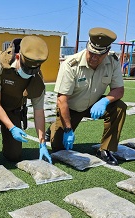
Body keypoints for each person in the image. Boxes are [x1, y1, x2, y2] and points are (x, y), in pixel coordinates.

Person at [47, 27, 126, 165]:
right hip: (71, 108)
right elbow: (62, 100)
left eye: (99, 55)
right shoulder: (71, 64)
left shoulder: (112, 62)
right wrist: (68, 129)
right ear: (87, 47)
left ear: (107, 52)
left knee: (119, 107)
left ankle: (106, 149)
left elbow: (119, 90)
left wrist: (104, 102)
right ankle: (53, 127)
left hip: (94, 105)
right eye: (92, 53)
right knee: (58, 147)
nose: (94, 58)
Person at [0, 35, 52, 167]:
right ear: (18, 57)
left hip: (14, 109)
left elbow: (39, 112)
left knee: (14, 156)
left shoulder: (36, 78)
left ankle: (8, 147)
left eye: (33, 70)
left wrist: (42, 143)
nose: (29, 73)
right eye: (26, 69)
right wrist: (12, 128)